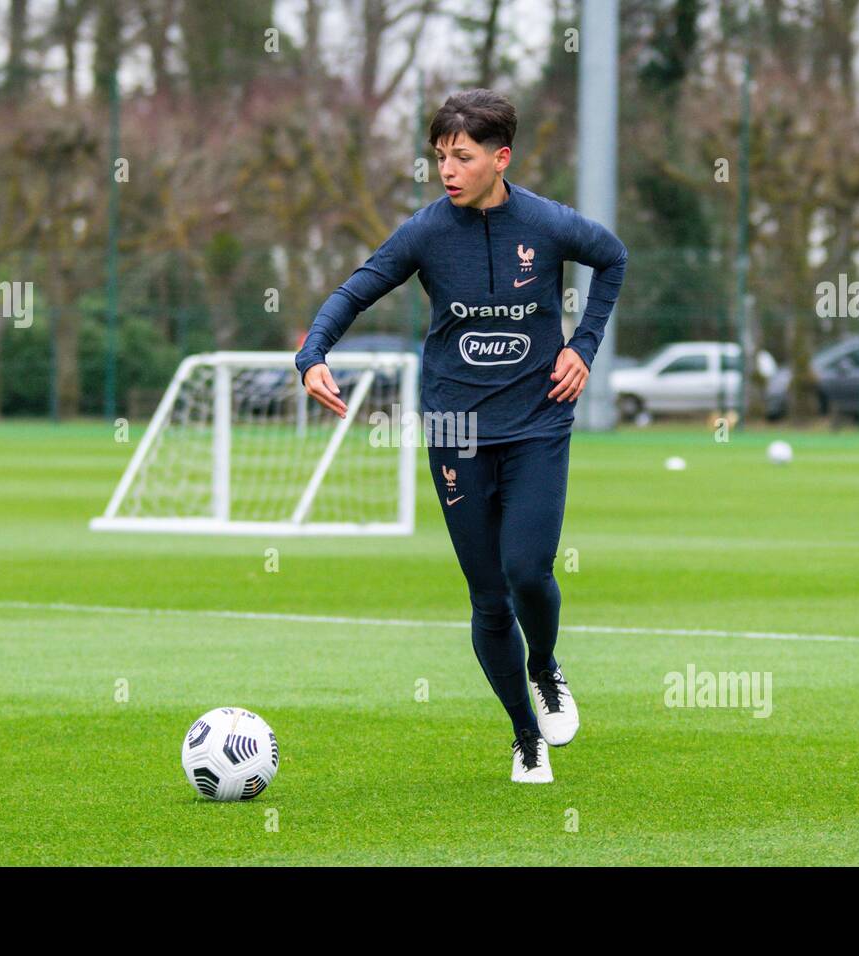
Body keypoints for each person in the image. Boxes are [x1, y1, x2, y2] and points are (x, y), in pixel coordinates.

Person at [294, 88, 628, 783]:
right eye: (440, 156)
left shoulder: (548, 223)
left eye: (463, 156)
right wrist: (313, 354)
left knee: (527, 570)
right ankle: (524, 736)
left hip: (537, 421)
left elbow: (613, 257)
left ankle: (545, 667)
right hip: (453, 426)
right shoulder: (425, 232)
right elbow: (356, 289)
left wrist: (584, 345)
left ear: (500, 158)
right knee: (486, 596)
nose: (447, 169)